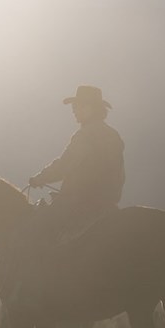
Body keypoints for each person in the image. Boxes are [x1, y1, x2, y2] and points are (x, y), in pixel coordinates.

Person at [28, 85, 125, 239]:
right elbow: (119, 174)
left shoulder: (86, 135)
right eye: (74, 106)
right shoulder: (113, 135)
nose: (74, 110)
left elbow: (65, 165)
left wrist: (39, 178)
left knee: (36, 228)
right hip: (107, 203)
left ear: (91, 108)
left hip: (78, 203)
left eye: (78, 106)